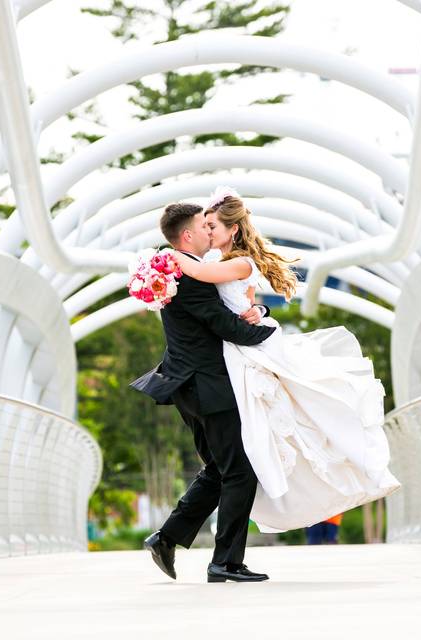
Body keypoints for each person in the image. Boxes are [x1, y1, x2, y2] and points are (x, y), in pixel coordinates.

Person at [171, 188, 400, 534]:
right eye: (204, 225)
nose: (208, 231)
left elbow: (206, 279)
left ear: (232, 230)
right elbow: (245, 301)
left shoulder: (237, 262)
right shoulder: (219, 261)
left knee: (285, 417)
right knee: (250, 442)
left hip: (246, 350)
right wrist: (258, 309)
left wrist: (165, 257)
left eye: (213, 225)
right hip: (232, 354)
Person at [130, 201, 275, 583]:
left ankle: (167, 538)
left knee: (219, 469)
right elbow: (228, 327)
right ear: (188, 235)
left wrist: (259, 311)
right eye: (204, 226)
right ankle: (225, 562)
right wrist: (274, 334)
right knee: (241, 471)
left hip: (188, 385)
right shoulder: (188, 274)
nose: (210, 232)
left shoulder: (176, 268)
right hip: (206, 385)